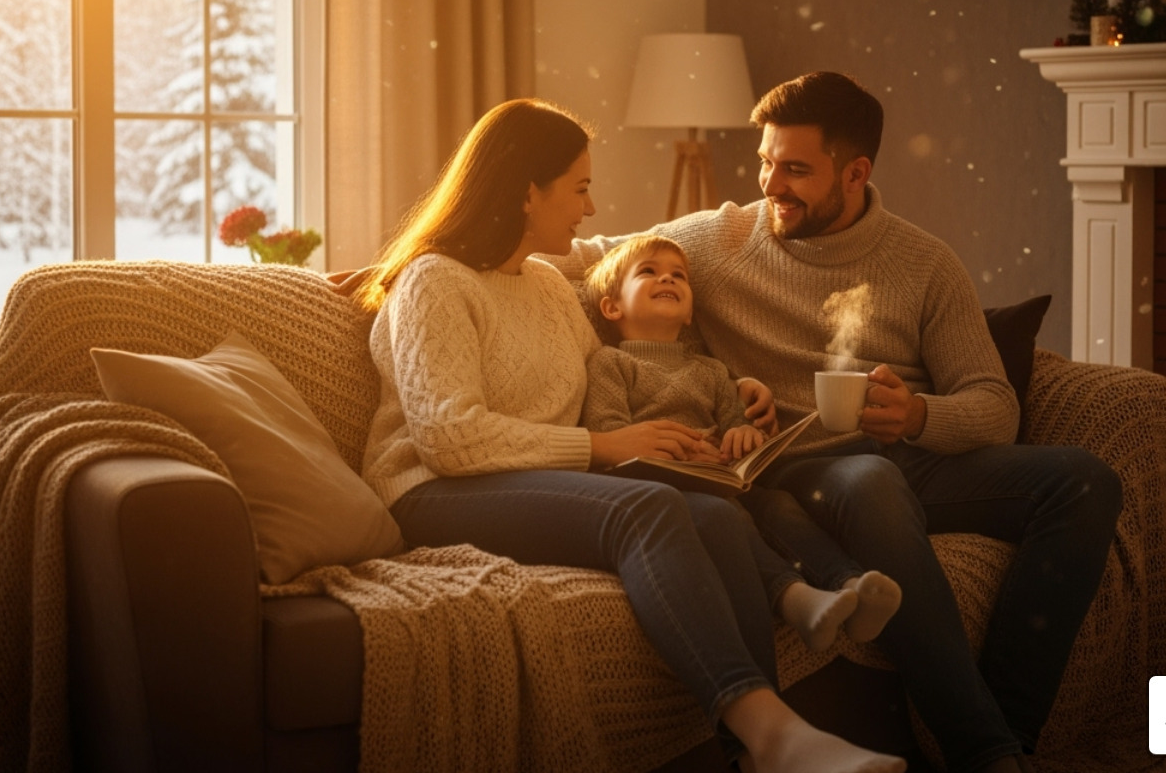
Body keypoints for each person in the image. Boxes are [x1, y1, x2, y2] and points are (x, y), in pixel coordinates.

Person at [551, 72, 1123, 773]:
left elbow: (995, 406)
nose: (771, 184)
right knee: (871, 482)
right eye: (766, 161)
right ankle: (989, 754)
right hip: (802, 469)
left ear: (856, 173)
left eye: (795, 169)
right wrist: (430, 262)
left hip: (910, 452)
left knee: (1085, 482)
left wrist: (917, 413)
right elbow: (590, 256)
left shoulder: (926, 264)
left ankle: (1011, 726)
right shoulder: (717, 240)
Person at [354, 97, 905, 773]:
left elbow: (623, 370)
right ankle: (774, 737)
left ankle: (762, 753)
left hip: (537, 484)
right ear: (528, 190)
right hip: (434, 490)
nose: (589, 210)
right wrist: (604, 447)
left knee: (714, 514)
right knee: (646, 508)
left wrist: (732, 397)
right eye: (579, 188)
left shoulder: (551, 289)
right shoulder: (435, 282)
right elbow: (449, 438)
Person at [580, 234, 902, 651]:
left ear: (691, 312)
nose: (668, 279)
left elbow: (734, 424)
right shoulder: (612, 364)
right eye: (649, 272)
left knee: (779, 504)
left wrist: (744, 434)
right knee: (728, 519)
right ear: (612, 306)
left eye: (679, 275)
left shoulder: (712, 371)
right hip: (662, 489)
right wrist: (675, 449)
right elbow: (610, 434)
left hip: (721, 478)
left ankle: (850, 585)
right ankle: (797, 599)